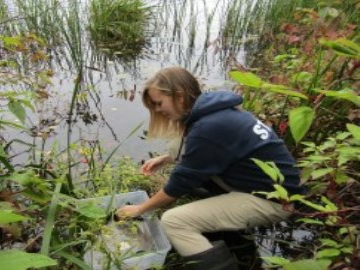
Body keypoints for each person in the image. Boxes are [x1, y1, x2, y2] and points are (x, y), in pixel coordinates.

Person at [116, 67, 304, 270]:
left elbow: (176, 187)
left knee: (173, 221)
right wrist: (165, 159)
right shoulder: (217, 110)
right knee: (181, 154)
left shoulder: (207, 127)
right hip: (271, 186)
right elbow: (211, 148)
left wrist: (139, 209)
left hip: (274, 201)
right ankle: (232, 235)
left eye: (159, 103)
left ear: (179, 96)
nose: (158, 110)